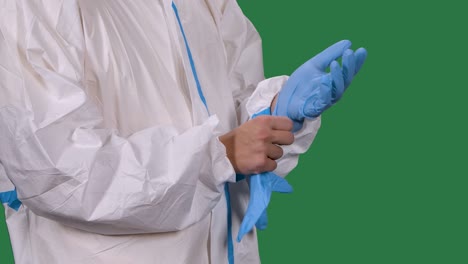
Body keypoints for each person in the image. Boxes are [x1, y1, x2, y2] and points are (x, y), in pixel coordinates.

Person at [0, 1, 366, 263]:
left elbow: (232, 115)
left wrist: (275, 113)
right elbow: (59, 171)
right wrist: (218, 157)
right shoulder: (31, 7)